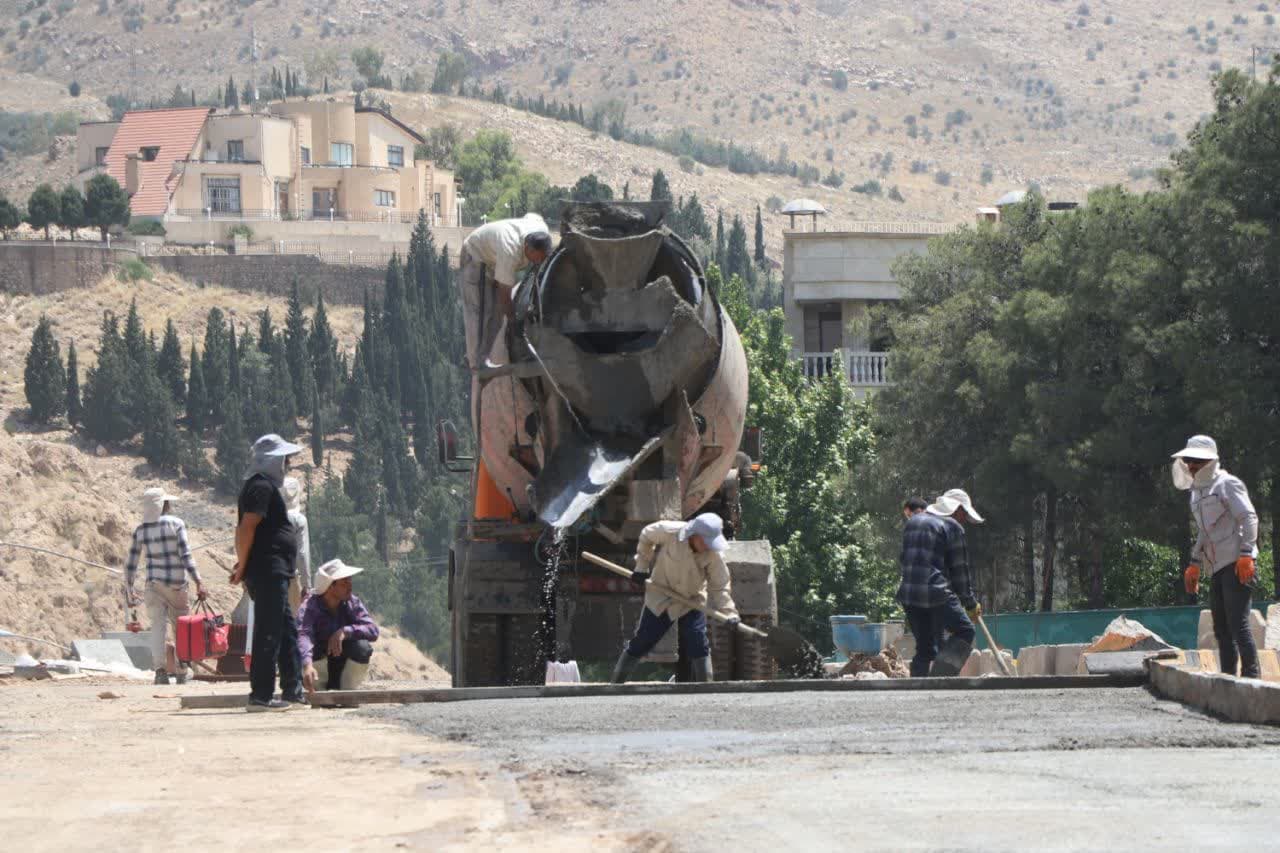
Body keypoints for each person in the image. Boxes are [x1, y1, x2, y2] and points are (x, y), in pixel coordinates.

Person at [611, 513, 739, 684]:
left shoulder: (714, 554)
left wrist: (729, 613)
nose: (709, 546)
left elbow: (720, 585)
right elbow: (646, 535)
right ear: (695, 536)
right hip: (661, 596)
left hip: (691, 600)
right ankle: (615, 684)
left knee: (697, 641)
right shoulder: (670, 532)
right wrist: (641, 566)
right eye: (706, 542)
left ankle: (707, 689)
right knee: (643, 641)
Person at [1172, 435, 1260, 679]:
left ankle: (1252, 678)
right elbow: (1205, 531)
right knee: (1221, 628)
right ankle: (1228, 678)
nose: (1191, 466)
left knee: (1238, 625)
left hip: (1237, 562)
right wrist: (1194, 563)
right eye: (1188, 460)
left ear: (1209, 462)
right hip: (1217, 565)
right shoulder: (1197, 494)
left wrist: (1246, 555)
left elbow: (1249, 517)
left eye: (1196, 461)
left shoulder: (1227, 484)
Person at [230, 434, 304, 712]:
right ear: (272, 461)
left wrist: (242, 564)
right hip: (268, 569)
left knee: (285, 630)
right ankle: (260, 695)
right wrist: (242, 565)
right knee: (269, 632)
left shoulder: (265, 487)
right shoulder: (260, 486)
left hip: (276, 569)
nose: (286, 465)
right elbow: (246, 528)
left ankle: (293, 690)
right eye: (284, 460)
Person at [124, 487, 207, 685]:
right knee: (180, 628)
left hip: (153, 585)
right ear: (165, 504)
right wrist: (199, 581)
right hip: (177, 586)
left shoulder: (141, 529)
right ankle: (181, 670)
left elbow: (131, 563)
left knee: (157, 629)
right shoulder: (176, 524)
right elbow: (186, 555)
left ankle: (160, 671)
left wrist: (129, 588)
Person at [897, 488, 982, 678]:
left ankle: (917, 691)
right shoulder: (952, 526)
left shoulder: (914, 522)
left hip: (909, 595)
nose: (964, 519)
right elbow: (959, 571)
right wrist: (969, 603)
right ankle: (942, 680)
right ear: (957, 509)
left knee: (925, 648)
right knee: (965, 631)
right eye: (965, 514)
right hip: (935, 592)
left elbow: (905, 559)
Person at [458, 213, 552, 370]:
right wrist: (515, 321)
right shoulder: (510, 250)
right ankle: (476, 362)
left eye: (542, 258)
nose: (538, 262)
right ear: (527, 248)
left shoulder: (541, 230)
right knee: (481, 312)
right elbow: (504, 295)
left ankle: (484, 355)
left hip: (494, 260)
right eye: (536, 258)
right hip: (476, 258)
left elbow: (533, 216)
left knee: (497, 318)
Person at [298, 559, 380, 693]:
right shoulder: (309, 607)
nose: (350, 586)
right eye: (345, 582)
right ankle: (318, 690)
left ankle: (347, 691)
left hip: (341, 662)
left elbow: (372, 630)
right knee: (305, 652)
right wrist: (307, 665)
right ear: (330, 586)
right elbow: (303, 636)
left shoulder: (351, 602)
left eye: (350, 581)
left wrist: (345, 631)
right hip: (319, 661)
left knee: (362, 648)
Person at [282, 476, 311, 614]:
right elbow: (302, 554)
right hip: (290, 578)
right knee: (293, 622)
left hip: (265, 577)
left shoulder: (266, 515)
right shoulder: (298, 520)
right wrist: (306, 585)